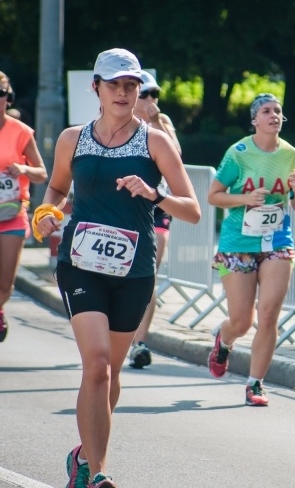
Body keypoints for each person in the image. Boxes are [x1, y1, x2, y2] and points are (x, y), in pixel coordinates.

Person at [32, 48, 201, 488]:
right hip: (81, 264)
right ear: (96, 88)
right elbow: (56, 187)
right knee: (98, 364)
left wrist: (153, 193)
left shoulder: (154, 141)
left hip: (134, 270)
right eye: (115, 85)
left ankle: (83, 457)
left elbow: (193, 211)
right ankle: (99, 473)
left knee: (113, 372)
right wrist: (48, 212)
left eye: (131, 85)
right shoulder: (73, 138)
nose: (124, 93)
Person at [206, 93, 295, 407]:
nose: (274, 115)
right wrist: (245, 200)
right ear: (255, 120)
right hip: (238, 242)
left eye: (278, 111)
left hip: (277, 242)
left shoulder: (291, 154)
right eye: (266, 111)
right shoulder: (238, 153)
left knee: (268, 315)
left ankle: (256, 384)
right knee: (241, 320)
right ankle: (224, 342)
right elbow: (214, 195)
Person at [128, 70, 181, 369]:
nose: (150, 100)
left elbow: (177, 155)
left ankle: (140, 343)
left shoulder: (162, 123)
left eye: (154, 94)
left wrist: (158, 120)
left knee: (148, 275)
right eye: (145, 93)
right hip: (120, 209)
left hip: (155, 207)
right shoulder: (117, 122)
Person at [0, 71, 47, 342]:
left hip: (11, 214)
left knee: (6, 283)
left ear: (9, 98)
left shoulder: (21, 132)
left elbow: (42, 173)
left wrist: (22, 169)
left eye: (1, 94)